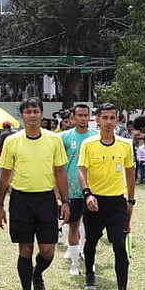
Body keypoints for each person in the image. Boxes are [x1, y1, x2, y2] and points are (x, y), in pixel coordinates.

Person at [0, 98, 70, 290]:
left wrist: (65, 202)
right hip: (21, 200)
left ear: (42, 113)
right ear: (22, 116)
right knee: (25, 249)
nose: (32, 115)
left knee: (48, 251)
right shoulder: (12, 141)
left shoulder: (54, 140)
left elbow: (60, 172)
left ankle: (38, 274)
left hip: (46, 199)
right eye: (28, 112)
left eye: (36, 111)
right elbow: (5, 175)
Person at [78, 103, 137, 290]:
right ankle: (89, 273)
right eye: (105, 118)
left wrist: (130, 200)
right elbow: (81, 170)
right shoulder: (88, 144)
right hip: (94, 200)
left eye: (113, 118)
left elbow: (130, 173)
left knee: (120, 245)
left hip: (117, 202)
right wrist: (87, 194)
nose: (109, 122)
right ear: (98, 119)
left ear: (118, 120)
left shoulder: (125, 145)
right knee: (92, 241)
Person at [60, 102, 93, 275]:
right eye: (78, 115)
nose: (82, 118)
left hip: (92, 190)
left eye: (85, 115)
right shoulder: (64, 137)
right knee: (73, 226)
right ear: (73, 117)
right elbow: (57, 165)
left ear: (89, 117)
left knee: (90, 227)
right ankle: (74, 263)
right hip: (71, 190)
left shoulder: (95, 136)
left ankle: (88, 258)